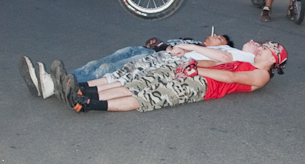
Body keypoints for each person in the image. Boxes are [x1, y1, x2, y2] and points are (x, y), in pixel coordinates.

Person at [64, 41, 287, 114]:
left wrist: (198, 71)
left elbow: (230, 77)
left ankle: (89, 104)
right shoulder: (248, 62)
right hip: (196, 71)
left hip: (204, 85)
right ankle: (85, 91)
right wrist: (194, 63)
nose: (263, 47)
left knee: (149, 96)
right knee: (140, 83)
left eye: (268, 48)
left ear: (273, 60)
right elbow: (221, 62)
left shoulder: (261, 75)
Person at [19, 32, 243, 98]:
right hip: (144, 50)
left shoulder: (212, 53)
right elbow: (166, 44)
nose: (216, 37)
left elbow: (181, 55)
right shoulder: (192, 40)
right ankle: (53, 82)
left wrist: (167, 49)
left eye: (221, 39)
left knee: (108, 71)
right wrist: (157, 42)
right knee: (101, 62)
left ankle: (52, 83)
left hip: (153, 60)